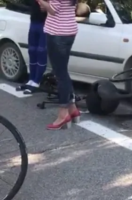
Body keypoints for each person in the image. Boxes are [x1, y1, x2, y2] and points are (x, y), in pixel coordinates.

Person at [37, 0, 80, 130]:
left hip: (57, 33)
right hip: (69, 31)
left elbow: (53, 9)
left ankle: (63, 114)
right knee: (63, 72)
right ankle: (72, 109)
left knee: (60, 74)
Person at [16, 0, 47, 94]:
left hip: (44, 23)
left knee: (41, 51)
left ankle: (36, 81)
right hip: (34, 21)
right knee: (32, 51)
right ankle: (31, 80)